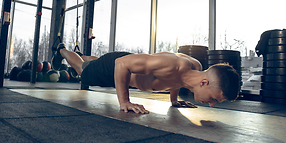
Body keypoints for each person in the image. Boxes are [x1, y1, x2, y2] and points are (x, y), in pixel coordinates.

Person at [52, 43, 240, 114]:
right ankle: (62, 49)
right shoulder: (173, 65)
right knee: (82, 71)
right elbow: (121, 64)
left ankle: (84, 56)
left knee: (90, 64)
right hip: (115, 67)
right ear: (204, 83)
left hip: (127, 66)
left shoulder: (196, 68)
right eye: (215, 98)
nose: (212, 104)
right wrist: (124, 101)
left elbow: (180, 80)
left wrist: (174, 100)